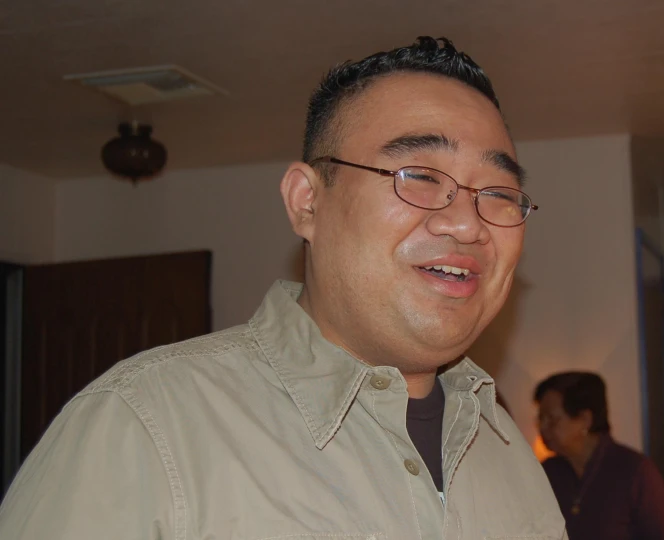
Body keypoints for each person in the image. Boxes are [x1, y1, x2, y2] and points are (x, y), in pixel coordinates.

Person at [0, 37, 565, 539]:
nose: (467, 224)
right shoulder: (141, 430)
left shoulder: (511, 454)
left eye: (497, 192)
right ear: (306, 202)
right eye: (418, 177)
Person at [535, 371, 664, 540]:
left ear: (585, 420)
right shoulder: (546, 472)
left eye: (552, 419)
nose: (543, 427)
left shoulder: (635, 472)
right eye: (540, 418)